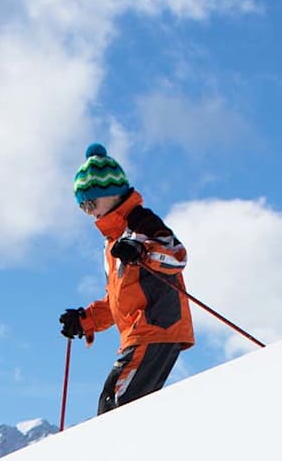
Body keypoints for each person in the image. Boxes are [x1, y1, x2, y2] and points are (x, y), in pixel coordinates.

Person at [59, 143, 194, 414]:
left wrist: (142, 249)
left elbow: (177, 256)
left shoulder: (141, 223)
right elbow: (118, 301)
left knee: (116, 407)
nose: (88, 212)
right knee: (114, 406)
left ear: (112, 193)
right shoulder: (112, 245)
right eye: (81, 206)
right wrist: (86, 320)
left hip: (155, 327)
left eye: (90, 202)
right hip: (138, 333)